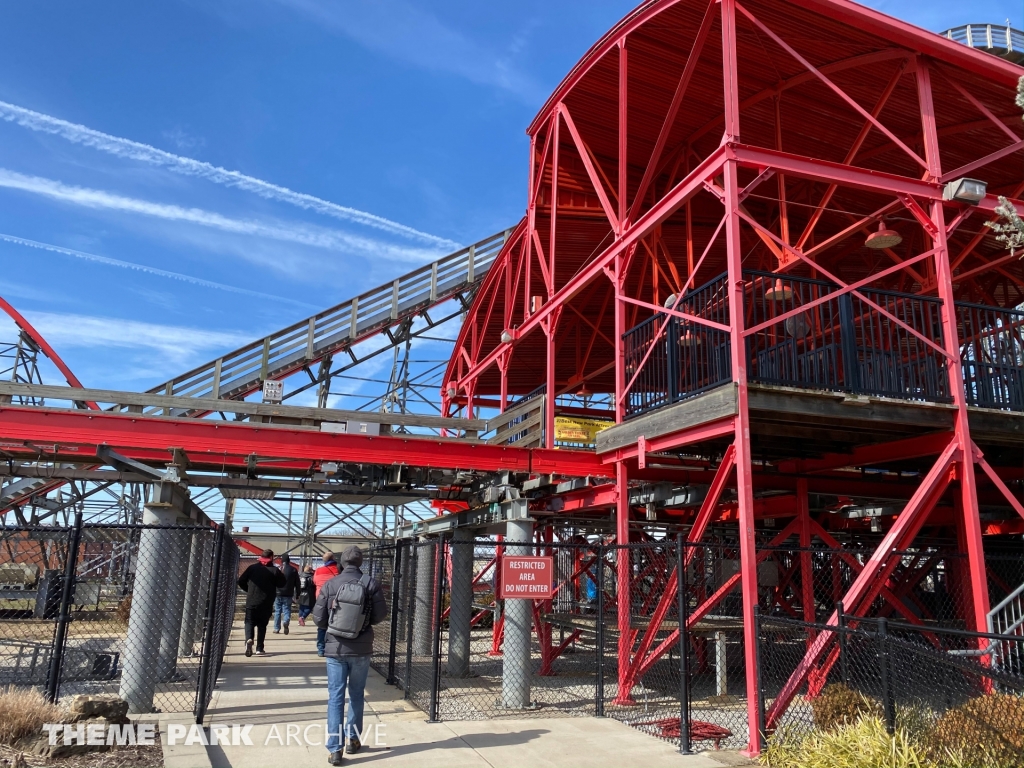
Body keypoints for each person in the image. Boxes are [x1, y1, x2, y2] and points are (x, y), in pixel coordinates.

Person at [313, 546, 387, 766]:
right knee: (356, 695)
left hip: (335, 649)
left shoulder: (331, 584)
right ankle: (353, 740)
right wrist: (362, 624)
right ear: (361, 563)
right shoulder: (370, 583)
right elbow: (380, 614)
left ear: (342, 563)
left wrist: (334, 627)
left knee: (335, 697)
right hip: (361, 648)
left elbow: (318, 618)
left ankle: (335, 749)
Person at [237, 549, 286, 657]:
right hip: (266, 602)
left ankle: (249, 639)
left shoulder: (252, 568)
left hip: (252, 600)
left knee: (249, 622)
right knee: (262, 625)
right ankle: (259, 648)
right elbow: (282, 584)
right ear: (271, 557)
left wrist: (248, 589)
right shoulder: (274, 570)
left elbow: (241, 581)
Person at [313, 552, 340, 657]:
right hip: (336, 600)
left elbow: (315, 581)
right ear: (333, 558)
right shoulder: (338, 570)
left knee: (322, 625)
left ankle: (321, 648)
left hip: (321, 599)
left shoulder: (318, 571)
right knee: (336, 624)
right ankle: (334, 647)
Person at [273, 554, 300, 634]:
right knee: (287, 609)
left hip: (278, 593)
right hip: (288, 593)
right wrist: (298, 593)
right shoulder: (293, 570)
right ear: (289, 560)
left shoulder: (278, 569)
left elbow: (274, 581)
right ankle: (286, 621)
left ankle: (276, 628)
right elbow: (297, 583)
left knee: (277, 610)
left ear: (282, 561)